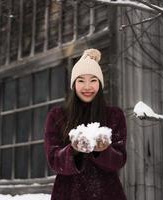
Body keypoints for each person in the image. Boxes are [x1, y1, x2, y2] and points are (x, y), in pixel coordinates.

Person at [44, 48, 127, 200]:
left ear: (100, 84)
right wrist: (73, 149)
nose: (87, 86)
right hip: (67, 193)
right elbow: (54, 160)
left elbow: (119, 160)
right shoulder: (58, 116)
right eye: (81, 80)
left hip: (107, 193)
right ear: (74, 84)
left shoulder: (114, 115)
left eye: (93, 80)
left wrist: (102, 150)